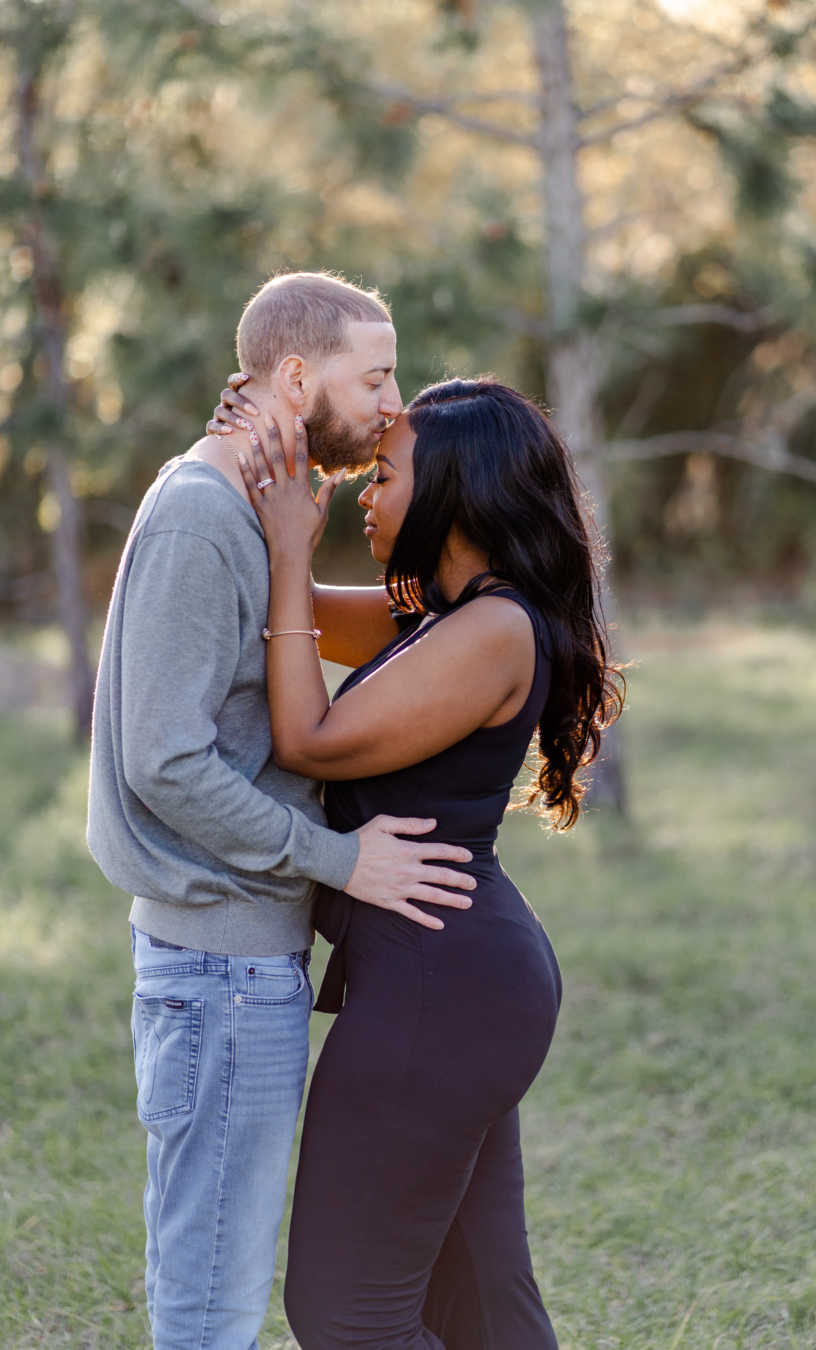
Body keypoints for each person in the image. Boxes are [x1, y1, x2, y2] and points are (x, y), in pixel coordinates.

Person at [86, 272, 477, 1350]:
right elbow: (163, 760)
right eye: (377, 375)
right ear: (297, 377)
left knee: (217, 1284)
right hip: (216, 967)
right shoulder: (202, 519)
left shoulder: (248, 514)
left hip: (238, 964)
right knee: (211, 1304)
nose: (393, 404)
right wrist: (337, 860)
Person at [231, 376, 624, 1349]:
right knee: (483, 1302)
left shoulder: (492, 628)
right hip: (457, 984)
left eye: (385, 473)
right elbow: (295, 614)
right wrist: (246, 489)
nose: (364, 492)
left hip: (443, 994)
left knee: (348, 1312)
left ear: (454, 489)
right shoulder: (441, 608)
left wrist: (289, 544)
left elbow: (309, 739)